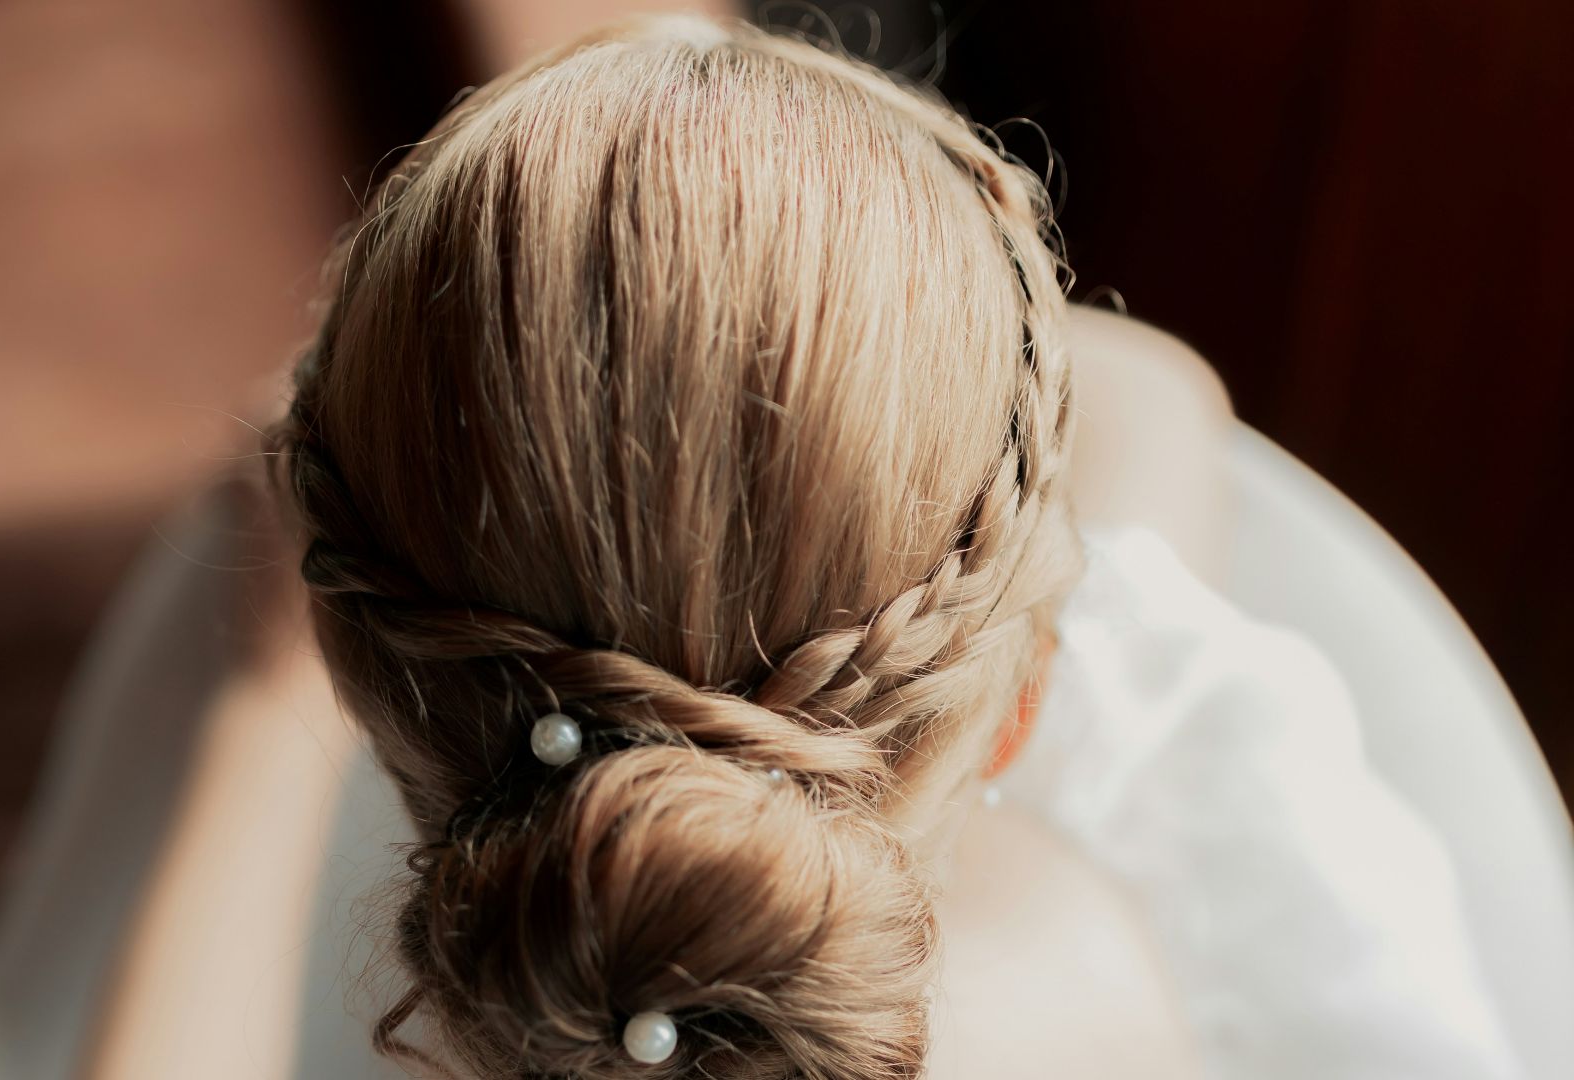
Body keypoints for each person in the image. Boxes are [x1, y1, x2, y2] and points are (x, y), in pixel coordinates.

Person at [84, 16, 1518, 1079]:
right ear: (1027, 703)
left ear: (360, 683)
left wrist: (261, 712)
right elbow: (1149, 396)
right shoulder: (1120, 935)